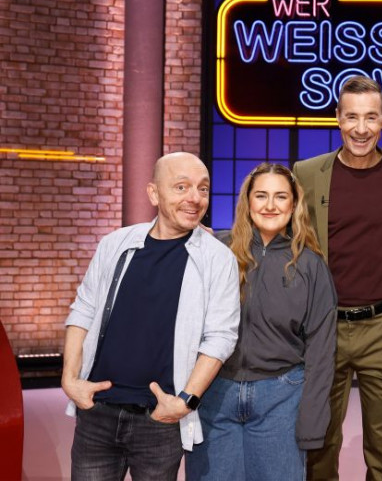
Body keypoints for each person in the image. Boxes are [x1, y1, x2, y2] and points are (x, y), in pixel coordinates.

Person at [62, 152, 241, 480]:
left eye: (203, 188)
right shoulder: (115, 243)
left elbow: (221, 338)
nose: (195, 198)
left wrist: (184, 401)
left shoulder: (218, 259)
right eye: (181, 187)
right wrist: (70, 379)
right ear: (154, 194)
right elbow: (83, 309)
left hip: (160, 419)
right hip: (97, 411)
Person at [293, 75, 382, 480]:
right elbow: (281, 232)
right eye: (352, 117)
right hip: (323, 327)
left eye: (370, 117)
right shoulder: (307, 173)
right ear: (338, 118)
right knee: (318, 446)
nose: (361, 128)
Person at [185, 163, 337, 481]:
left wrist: (312, 421)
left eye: (280, 196)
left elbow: (321, 350)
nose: (270, 205)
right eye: (261, 195)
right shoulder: (218, 251)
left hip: (281, 398)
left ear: (294, 204)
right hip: (214, 394)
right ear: (248, 201)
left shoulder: (311, 266)